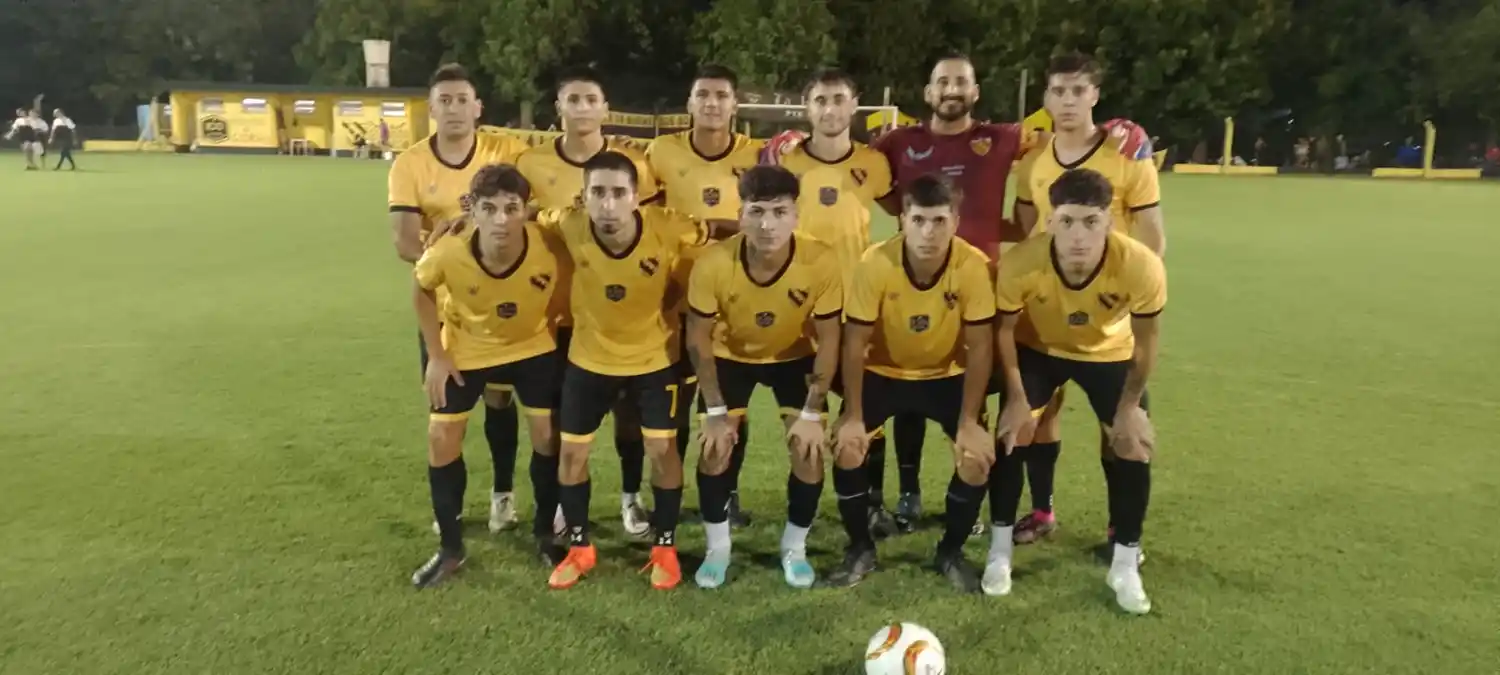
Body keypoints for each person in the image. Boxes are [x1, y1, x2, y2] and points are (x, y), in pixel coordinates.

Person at [990, 168, 1165, 614]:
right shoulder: (1021, 261)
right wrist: (1014, 397)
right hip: (1039, 349)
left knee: (1132, 444)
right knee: (1013, 432)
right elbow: (1004, 332)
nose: (1078, 236)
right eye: (1066, 221)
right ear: (1049, 221)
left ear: (1110, 221)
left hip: (1109, 354)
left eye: (1091, 221)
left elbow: (1146, 346)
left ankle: (1125, 563)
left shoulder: (1141, 265)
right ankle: (999, 552)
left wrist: (1129, 408)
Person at [1010, 53, 1166, 547]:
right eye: (1059, 91)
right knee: (1040, 420)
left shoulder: (1128, 154)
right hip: (1043, 320)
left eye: (1079, 90)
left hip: (1109, 328)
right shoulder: (1032, 160)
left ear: (1096, 95)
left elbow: (1152, 239)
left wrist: (1125, 292)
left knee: (1118, 429)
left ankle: (1121, 530)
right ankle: (1042, 511)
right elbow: (1024, 229)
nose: (1069, 100)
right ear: (1046, 98)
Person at [546, 151, 708, 591]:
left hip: (653, 362)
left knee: (663, 453)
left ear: (638, 197)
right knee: (572, 455)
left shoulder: (669, 225)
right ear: (583, 197)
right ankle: (579, 547)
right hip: (588, 361)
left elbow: (717, 232)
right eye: (598, 192)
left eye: (619, 193)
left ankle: (665, 547)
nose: (609, 204)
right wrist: (459, 223)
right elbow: (522, 217)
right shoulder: (566, 221)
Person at [828, 173, 996, 593]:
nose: (928, 231)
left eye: (939, 220)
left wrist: (971, 420)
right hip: (883, 373)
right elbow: (855, 344)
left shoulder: (973, 266)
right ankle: (860, 549)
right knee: (848, 448)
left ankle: (951, 551)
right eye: (919, 220)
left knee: (976, 457)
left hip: (946, 376)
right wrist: (851, 414)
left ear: (956, 221)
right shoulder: (874, 263)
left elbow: (980, 348)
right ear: (902, 219)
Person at [409, 164, 571, 588]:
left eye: (511, 208)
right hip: (467, 348)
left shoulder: (549, 243)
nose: (501, 219)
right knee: (441, 438)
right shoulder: (449, 250)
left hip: (532, 347)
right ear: (473, 210)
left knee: (547, 435)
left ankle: (545, 535)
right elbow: (422, 289)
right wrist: (438, 356)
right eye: (489, 208)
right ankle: (450, 549)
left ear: (525, 210)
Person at [518, 66, 661, 537]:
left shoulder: (632, 163)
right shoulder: (531, 163)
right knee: (564, 416)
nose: (581, 108)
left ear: (605, 108)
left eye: (590, 99)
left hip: (621, 314)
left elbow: (655, 230)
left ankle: (630, 497)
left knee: (629, 416)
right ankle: (566, 503)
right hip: (554, 313)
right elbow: (517, 216)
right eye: (571, 99)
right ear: (558, 108)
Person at [388, 64, 530, 536]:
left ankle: (502, 497)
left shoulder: (504, 149)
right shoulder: (410, 163)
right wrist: (443, 246)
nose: (453, 108)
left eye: (461, 99)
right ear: (431, 109)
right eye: (443, 100)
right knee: (446, 418)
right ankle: (448, 511)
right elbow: (405, 242)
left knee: (500, 402)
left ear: (478, 108)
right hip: (447, 309)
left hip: (505, 305)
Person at [685, 165, 842, 590]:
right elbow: (697, 338)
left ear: (796, 215)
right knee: (714, 449)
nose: (767, 224)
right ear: (741, 214)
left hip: (794, 357)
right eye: (757, 211)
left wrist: (812, 412)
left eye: (779, 211)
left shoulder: (821, 261)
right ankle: (718, 548)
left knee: (808, 451)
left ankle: (795, 548)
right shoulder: (714, 262)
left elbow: (829, 340)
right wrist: (716, 410)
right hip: (730, 355)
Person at [646, 64, 765, 527]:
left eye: (721, 95)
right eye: (703, 95)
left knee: (730, 404)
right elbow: (648, 220)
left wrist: (719, 227)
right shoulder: (661, 152)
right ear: (690, 103)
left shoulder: (758, 155)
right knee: (670, 402)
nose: (712, 103)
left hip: (739, 299)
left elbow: (771, 219)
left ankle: (727, 494)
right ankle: (667, 496)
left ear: (734, 105)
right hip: (674, 299)